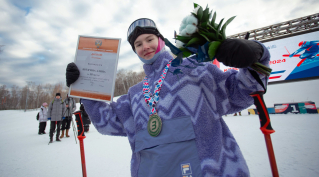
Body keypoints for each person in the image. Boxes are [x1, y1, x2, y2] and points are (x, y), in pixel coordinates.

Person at [66, 18, 270, 177]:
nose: (144, 46)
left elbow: (239, 92)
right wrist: (85, 89)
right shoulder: (135, 93)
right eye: (138, 44)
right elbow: (107, 123)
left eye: (149, 39)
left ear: (161, 41)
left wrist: (257, 54)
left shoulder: (193, 69)